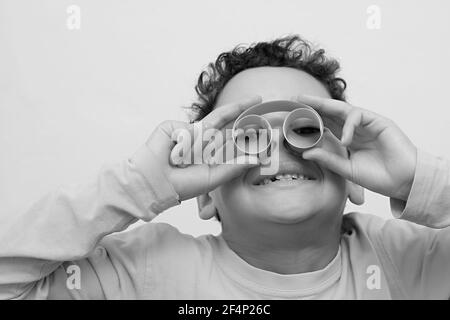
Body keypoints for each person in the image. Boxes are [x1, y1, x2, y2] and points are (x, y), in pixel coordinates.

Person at [1, 35, 449, 300]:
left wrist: (417, 180)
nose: (278, 148)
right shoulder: (149, 272)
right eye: (248, 135)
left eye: (306, 129)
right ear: (204, 194)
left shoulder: (410, 262)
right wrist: (139, 184)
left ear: (355, 177)